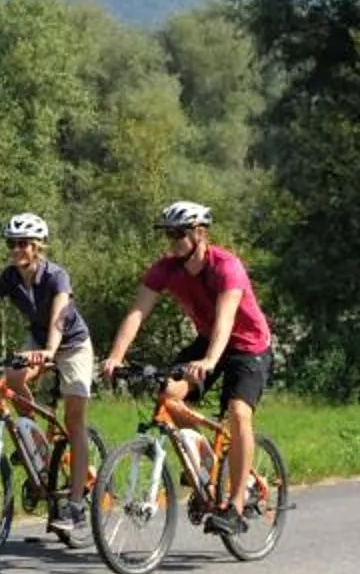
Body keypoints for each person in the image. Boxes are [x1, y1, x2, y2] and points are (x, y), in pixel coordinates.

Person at [101, 200, 272, 535]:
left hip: (247, 345)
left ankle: (236, 506)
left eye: (178, 234)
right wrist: (115, 356)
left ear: (199, 233)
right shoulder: (165, 269)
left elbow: (226, 321)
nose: (172, 241)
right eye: (168, 234)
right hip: (208, 342)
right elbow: (137, 313)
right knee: (169, 395)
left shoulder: (226, 266)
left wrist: (208, 361)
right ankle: (207, 465)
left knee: (238, 413)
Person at [0, 212, 96, 528]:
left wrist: (50, 351)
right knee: (9, 379)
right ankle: (33, 438)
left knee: (74, 420)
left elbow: (60, 316)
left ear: (38, 246)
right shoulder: (9, 277)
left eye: (23, 244)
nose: (16, 250)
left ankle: (77, 504)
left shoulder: (56, 276)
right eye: (12, 244)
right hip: (37, 340)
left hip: (72, 343)